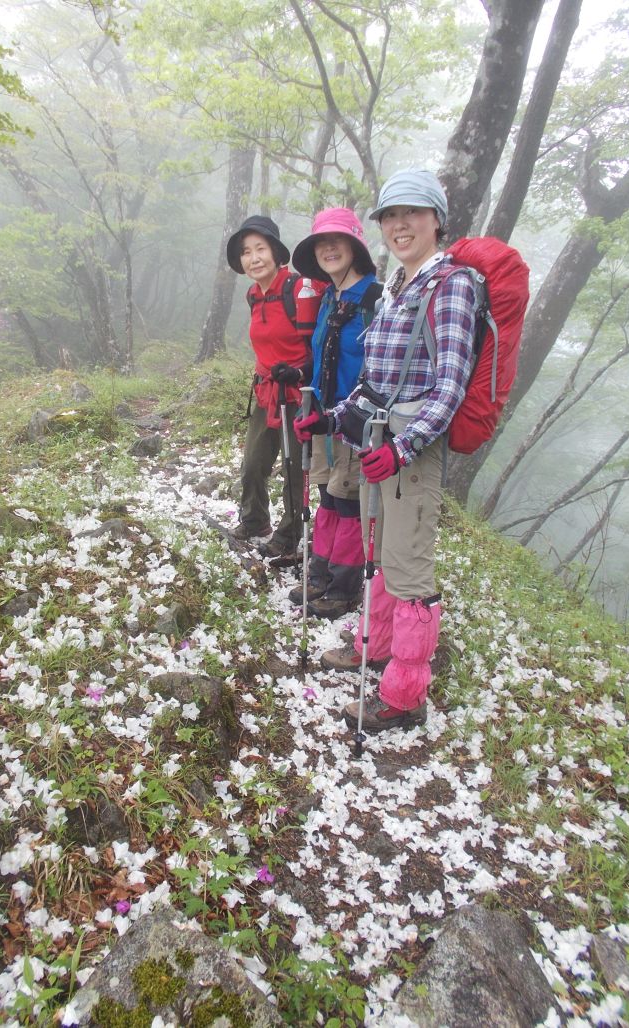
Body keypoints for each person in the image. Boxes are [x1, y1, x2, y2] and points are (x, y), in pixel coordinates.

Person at [294, 170, 476, 732]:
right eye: (390, 217)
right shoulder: (399, 285)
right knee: (380, 553)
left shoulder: (453, 284)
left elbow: (450, 384)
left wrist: (404, 447)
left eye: (412, 214)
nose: (399, 225)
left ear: (436, 221)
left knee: (409, 569)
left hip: (409, 453)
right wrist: (331, 418)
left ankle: (403, 694)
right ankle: (373, 644)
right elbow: (373, 380)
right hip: (376, 440)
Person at [288, 208, 382, 619]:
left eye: (337, 240)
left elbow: (380, 367)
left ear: (355, 247)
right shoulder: (331, 297)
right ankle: (321, 572)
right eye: (321, 243)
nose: (329, 248)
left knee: (348, 503)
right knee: (328, 497)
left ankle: (344, 589)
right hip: (324, 417)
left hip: (357, 422)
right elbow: (322, 354)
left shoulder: (374, 299)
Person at [226, 216, 323, 558]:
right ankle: (254, 520)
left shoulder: (297, 290)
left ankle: (290, 532)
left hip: (298, 392)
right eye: (246, 252)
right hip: (267, 389)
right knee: (253, 462)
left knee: (295, 468)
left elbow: (320, 346)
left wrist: (298, 373)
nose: (253, 258)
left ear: (276, 253)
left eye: (260, 249)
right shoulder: (253, 296)